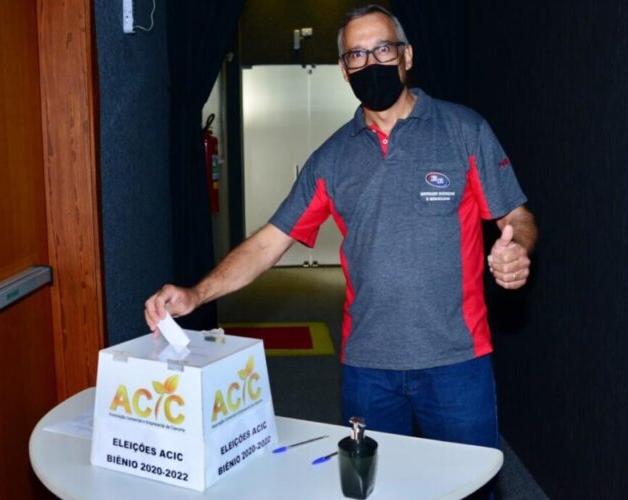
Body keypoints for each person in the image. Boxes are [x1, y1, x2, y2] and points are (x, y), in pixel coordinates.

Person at [145, 5, 536, 451]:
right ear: (344, 69)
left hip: (457, 361)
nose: (371, 63)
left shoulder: (464, 130)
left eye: (383, 49)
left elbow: (515, 215)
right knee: (370, 480)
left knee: (470, 480)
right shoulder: (331, 160)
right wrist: (196, 294)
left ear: (406, 55)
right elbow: (268, 244)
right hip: (367, 368)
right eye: (357, 55)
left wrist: (517, 248)